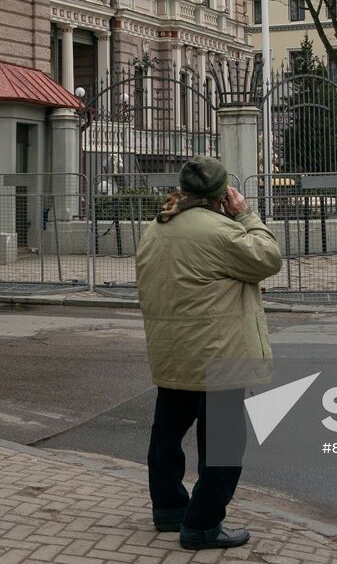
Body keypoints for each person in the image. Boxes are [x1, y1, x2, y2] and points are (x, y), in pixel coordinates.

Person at [135, 157, 283, 551]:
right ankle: (202, 524)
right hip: (220, 355)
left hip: (172, 352)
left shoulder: (155, 228)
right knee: (223, 446)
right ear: (222, 195)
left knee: (166, 436)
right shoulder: (222, 231)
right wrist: (247, 214)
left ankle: (168, 509)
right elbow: (268, 258)